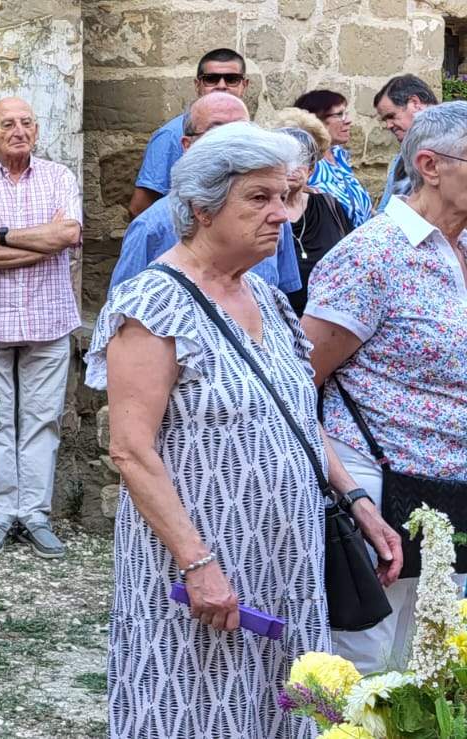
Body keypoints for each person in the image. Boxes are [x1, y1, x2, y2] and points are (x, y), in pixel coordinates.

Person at [88, 122, 401, 738]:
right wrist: (196, 562)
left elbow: (299, 413)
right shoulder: (152, 309)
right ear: (202, 208)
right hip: (204, 560)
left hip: (288, 557)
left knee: (285, 708)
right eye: (258, 199)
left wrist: (357, 500)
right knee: (194, 705)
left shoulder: (267, 295)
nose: (281, 215)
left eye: (285, 197)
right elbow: (131, 450)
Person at [305, 102, 467, 674]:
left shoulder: (464, 248)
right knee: (366, 665)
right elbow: (301, 382)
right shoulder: (373, 256)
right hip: (377, 481)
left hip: (453, 493)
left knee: (434, 663)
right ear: (430, 165)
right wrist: (350, 494)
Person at [0, 97, 82, 559]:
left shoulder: (59, 178)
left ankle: (35, 513)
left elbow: (66, 236)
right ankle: (0, 513)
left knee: (42, 420)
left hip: (48, 316)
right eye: (7, 124)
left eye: (26, 122)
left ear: (37, 130)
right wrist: (38, 243)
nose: (19, 130)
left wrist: (1, 237)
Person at [109, 92, 302, 294]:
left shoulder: (276, 220)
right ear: (187, 145)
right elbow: (121, 313)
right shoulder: (151, 227)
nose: (232, 142)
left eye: (241, 132)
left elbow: (285, 297)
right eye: (216, 132)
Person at [128, 48, 250, 218]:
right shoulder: (171, 136)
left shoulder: (252, 136)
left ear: (244, 85)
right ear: (198, 85)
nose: (221, 86)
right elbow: (140, 208)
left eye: (231, 79)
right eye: (211, 79)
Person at [269, 110, 353, 315]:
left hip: (330, 318)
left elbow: (351, 259)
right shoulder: (265, 212)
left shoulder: (329, 205)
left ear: (311, 170)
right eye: (286, 159)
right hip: (280, 321)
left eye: (301, 160)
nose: (293, 167)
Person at [292, 90, 373, 229]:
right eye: (339, 115)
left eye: (346, 113)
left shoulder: (339, 156)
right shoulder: (307, 163)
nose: (348, 121)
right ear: (316, 121)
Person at [373, 74, 438, 210]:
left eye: (391, 116)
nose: (389, 125)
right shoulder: (402, 157)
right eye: (385, 120)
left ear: (414, 103)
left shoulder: (456, 148)